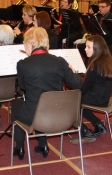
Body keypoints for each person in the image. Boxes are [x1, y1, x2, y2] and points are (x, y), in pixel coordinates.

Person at [11, 27, 83, 160]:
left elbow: (23, 87)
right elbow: (78, 85)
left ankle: (19, 147)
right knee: (42, 105)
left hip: (35, 116)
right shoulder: (60, 62)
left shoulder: (23, 64)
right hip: (62, 115)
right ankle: (43, 145)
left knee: (17, 104)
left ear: (30, 44)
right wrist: (73, 71)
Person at [70, 35, 112, 144]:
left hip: (95, 99)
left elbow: (83, 89)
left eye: (88, 47)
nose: (85, 49)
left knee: (70, 103)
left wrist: (73, 75)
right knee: (79, 101)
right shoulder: (107, 61)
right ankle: (99, 125)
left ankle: (85, 131)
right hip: (104, 98)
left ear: (96, 49)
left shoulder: (94, 65)